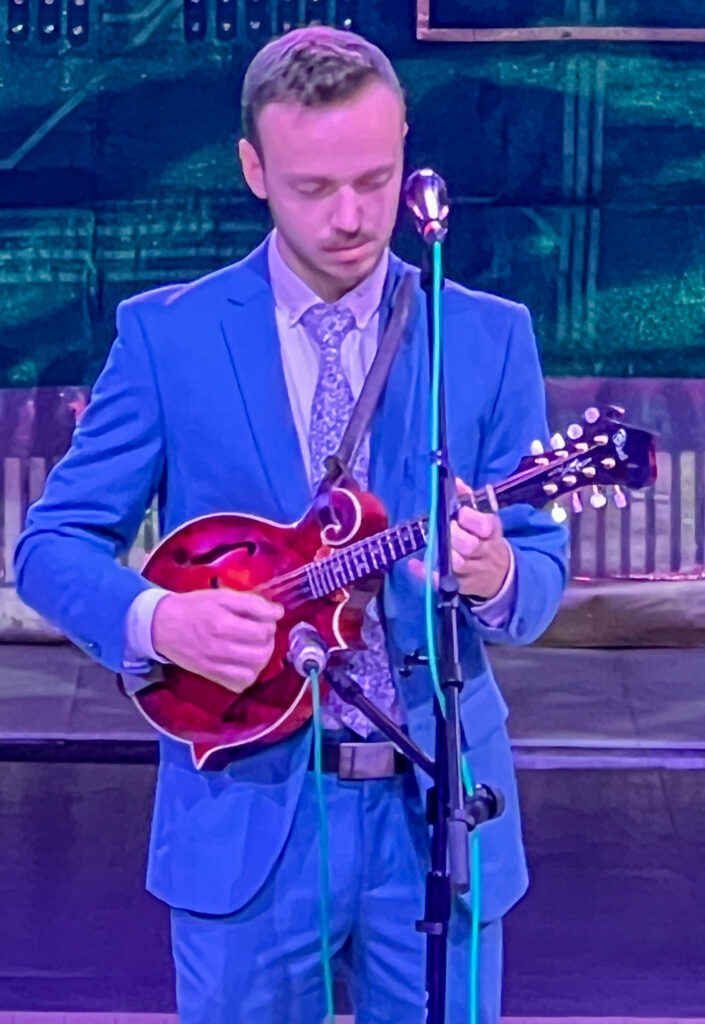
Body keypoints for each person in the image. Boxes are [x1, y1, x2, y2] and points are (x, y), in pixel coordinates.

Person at [14, 26, 567, 1024]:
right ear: (253, 169)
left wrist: (491, 576)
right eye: (315, 188)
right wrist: (156, 623)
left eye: (376, 177)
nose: (353, 217)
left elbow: (540, 576)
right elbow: (50, 549)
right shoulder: (169, 333)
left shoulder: (487, 335)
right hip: (244, 802)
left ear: (405, 143)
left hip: (438, 814)